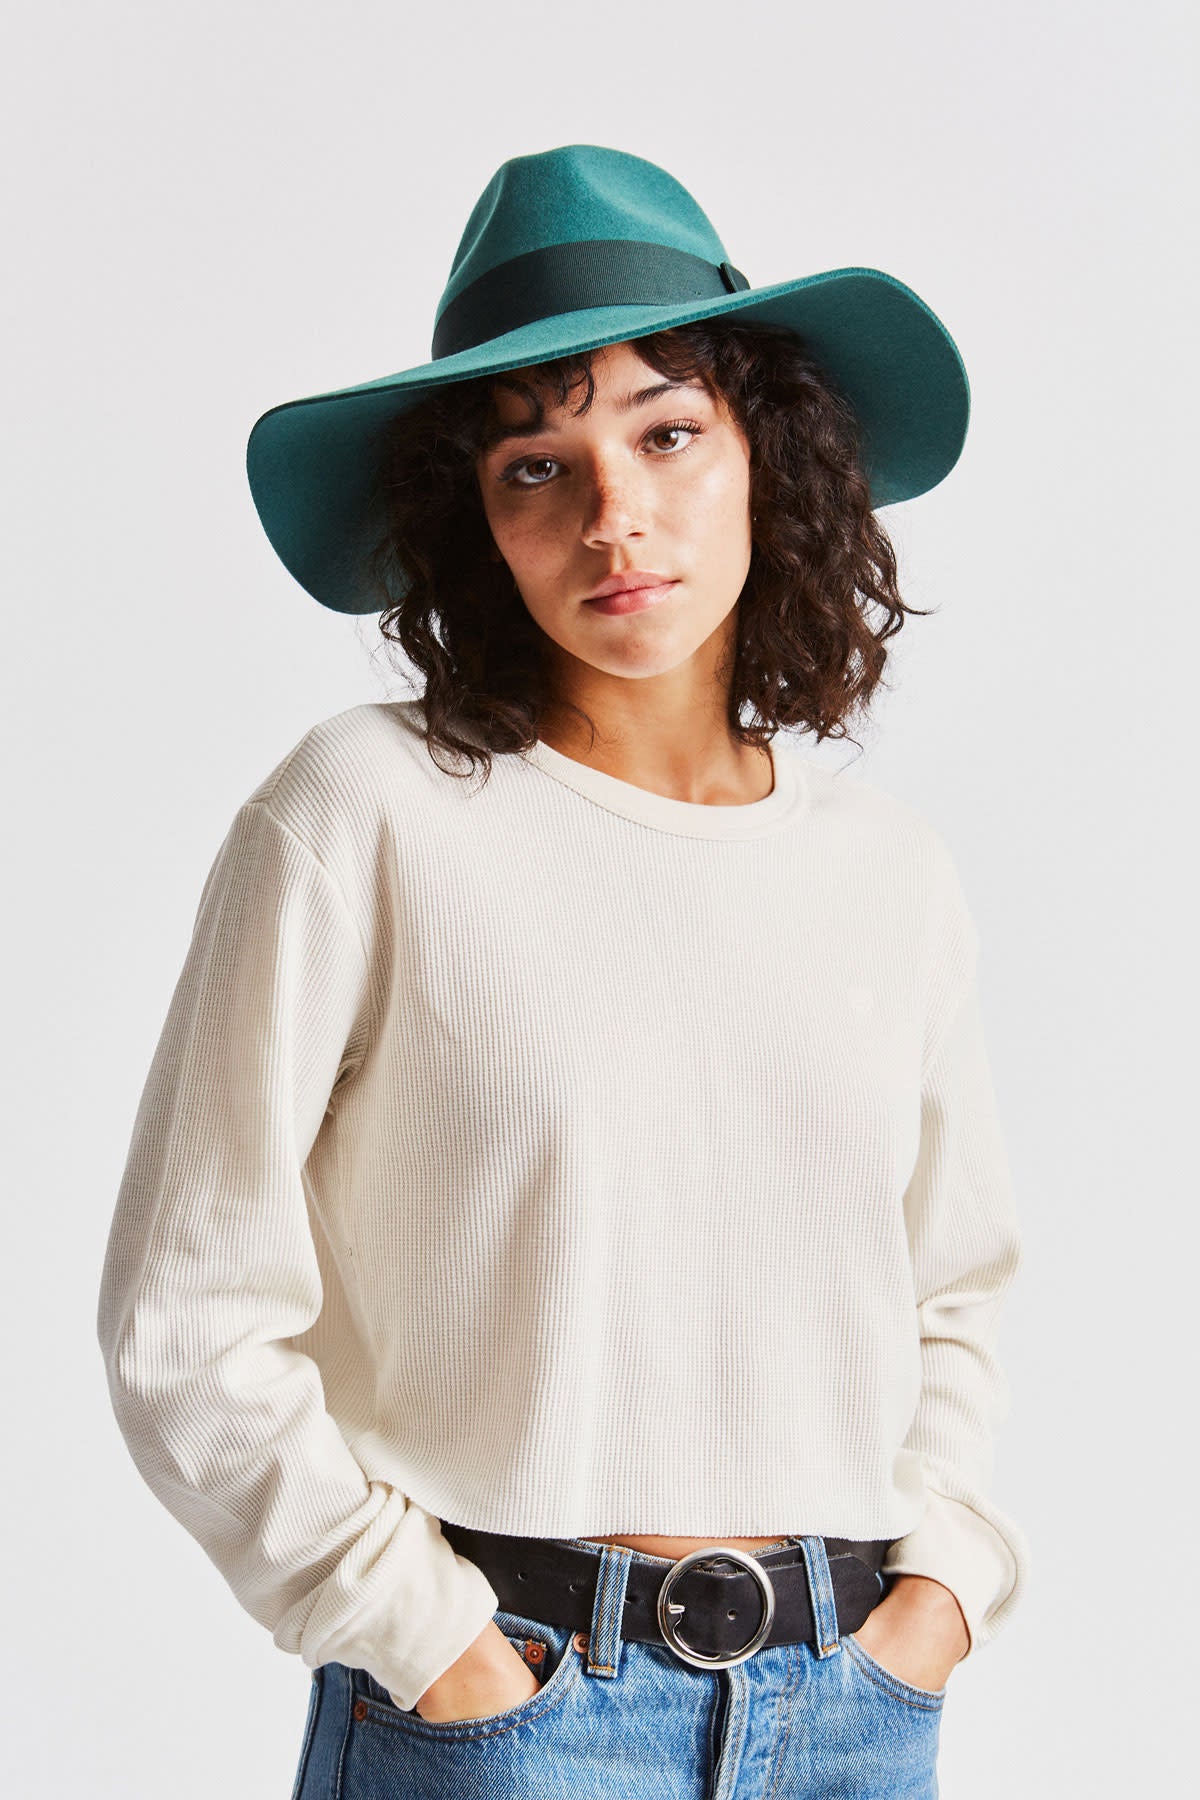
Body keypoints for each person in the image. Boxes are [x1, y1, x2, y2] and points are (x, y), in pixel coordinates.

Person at [96, 144, 1028, 1798]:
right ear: (475, 518)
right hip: (509, 1711)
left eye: (668, 434)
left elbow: (957, 1292)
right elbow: (188, 1316)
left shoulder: (887, 872)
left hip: (851, 1711)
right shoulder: (365, 812)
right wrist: (422, 1637)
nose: (614, 517)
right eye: (538, 465)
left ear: (767, 455)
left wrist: (942, 1591)